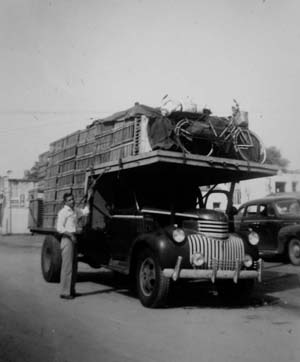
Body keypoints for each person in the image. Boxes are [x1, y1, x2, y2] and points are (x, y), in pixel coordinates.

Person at [56, 192, 89, 300]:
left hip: (73, 239)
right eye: (69, 200)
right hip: (67, 239)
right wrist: (71, 236)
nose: (72, 201)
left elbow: (85, 212)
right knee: (67, 267)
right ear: (65, 202)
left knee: (74, 266)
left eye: (73, 199)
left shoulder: (75, 210)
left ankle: (71, 290)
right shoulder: (63, 212)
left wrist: (89, 197)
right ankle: (65, 292)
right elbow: (60, 228)